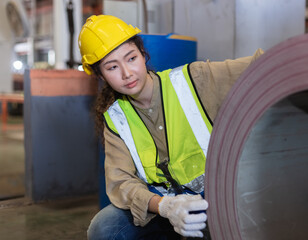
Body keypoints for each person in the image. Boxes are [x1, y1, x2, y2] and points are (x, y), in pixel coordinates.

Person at [78, 14, 263, 240]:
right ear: (101, 76)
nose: (127, 73)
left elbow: (258, 65)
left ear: (143, 54)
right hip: (168, 206)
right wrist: (165, 206)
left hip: (219, 194)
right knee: (105, 228)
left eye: (131, 58)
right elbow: (122, 182)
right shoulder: (116, 120)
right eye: (112, 67)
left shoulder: (193, 80)